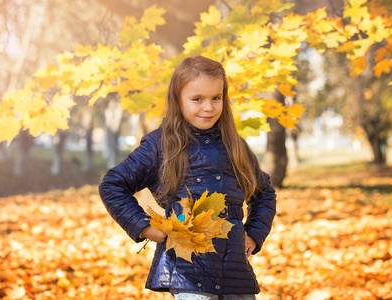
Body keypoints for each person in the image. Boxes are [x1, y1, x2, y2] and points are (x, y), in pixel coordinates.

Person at [99, 55, 276, 300]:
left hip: (235, 272)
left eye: (217, 97)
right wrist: (144, 227)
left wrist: (254, 234)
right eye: (197, 99)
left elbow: (264, 193)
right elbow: (112, 185)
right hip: (187, 269)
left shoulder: (236, 146)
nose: (209, 107)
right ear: (178, 100)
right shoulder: (160, 145)